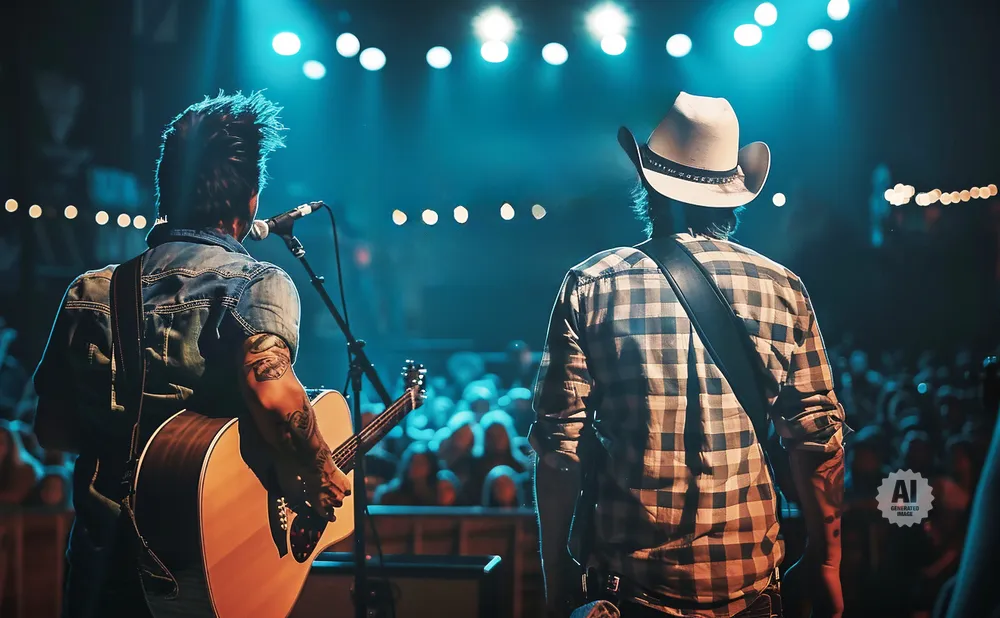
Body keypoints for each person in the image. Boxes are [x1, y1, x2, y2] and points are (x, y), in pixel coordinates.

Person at [31, 91, 351, 618]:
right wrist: (319, 467)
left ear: (165, 191)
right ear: (250, 200)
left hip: (102, 565)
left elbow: (53, 430)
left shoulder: (89, 292)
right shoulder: (255, 283)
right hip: (206, 572)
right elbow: (274, 397)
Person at [531, 92, 847, 618]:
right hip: (750, 588)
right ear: (731, 195)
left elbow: (560, 451)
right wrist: (827, 562)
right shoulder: (782, 287)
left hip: (628, 589)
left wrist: (556, 567)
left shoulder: (591, 284)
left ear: (646, 185)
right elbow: (818, 441)